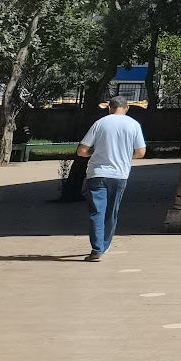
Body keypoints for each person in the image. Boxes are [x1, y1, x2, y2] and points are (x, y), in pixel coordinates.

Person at [76, 98, 146, 262]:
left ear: (109, 107)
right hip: (120, 174)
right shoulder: (133, 125)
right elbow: (141, 152)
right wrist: (125, 156)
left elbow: (81, 150)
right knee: (111, 212)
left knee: (96, 212)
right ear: (126, 107)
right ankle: (104, 245)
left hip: (97, 173)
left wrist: (94, 153)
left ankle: (96, 249)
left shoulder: (100, 123)